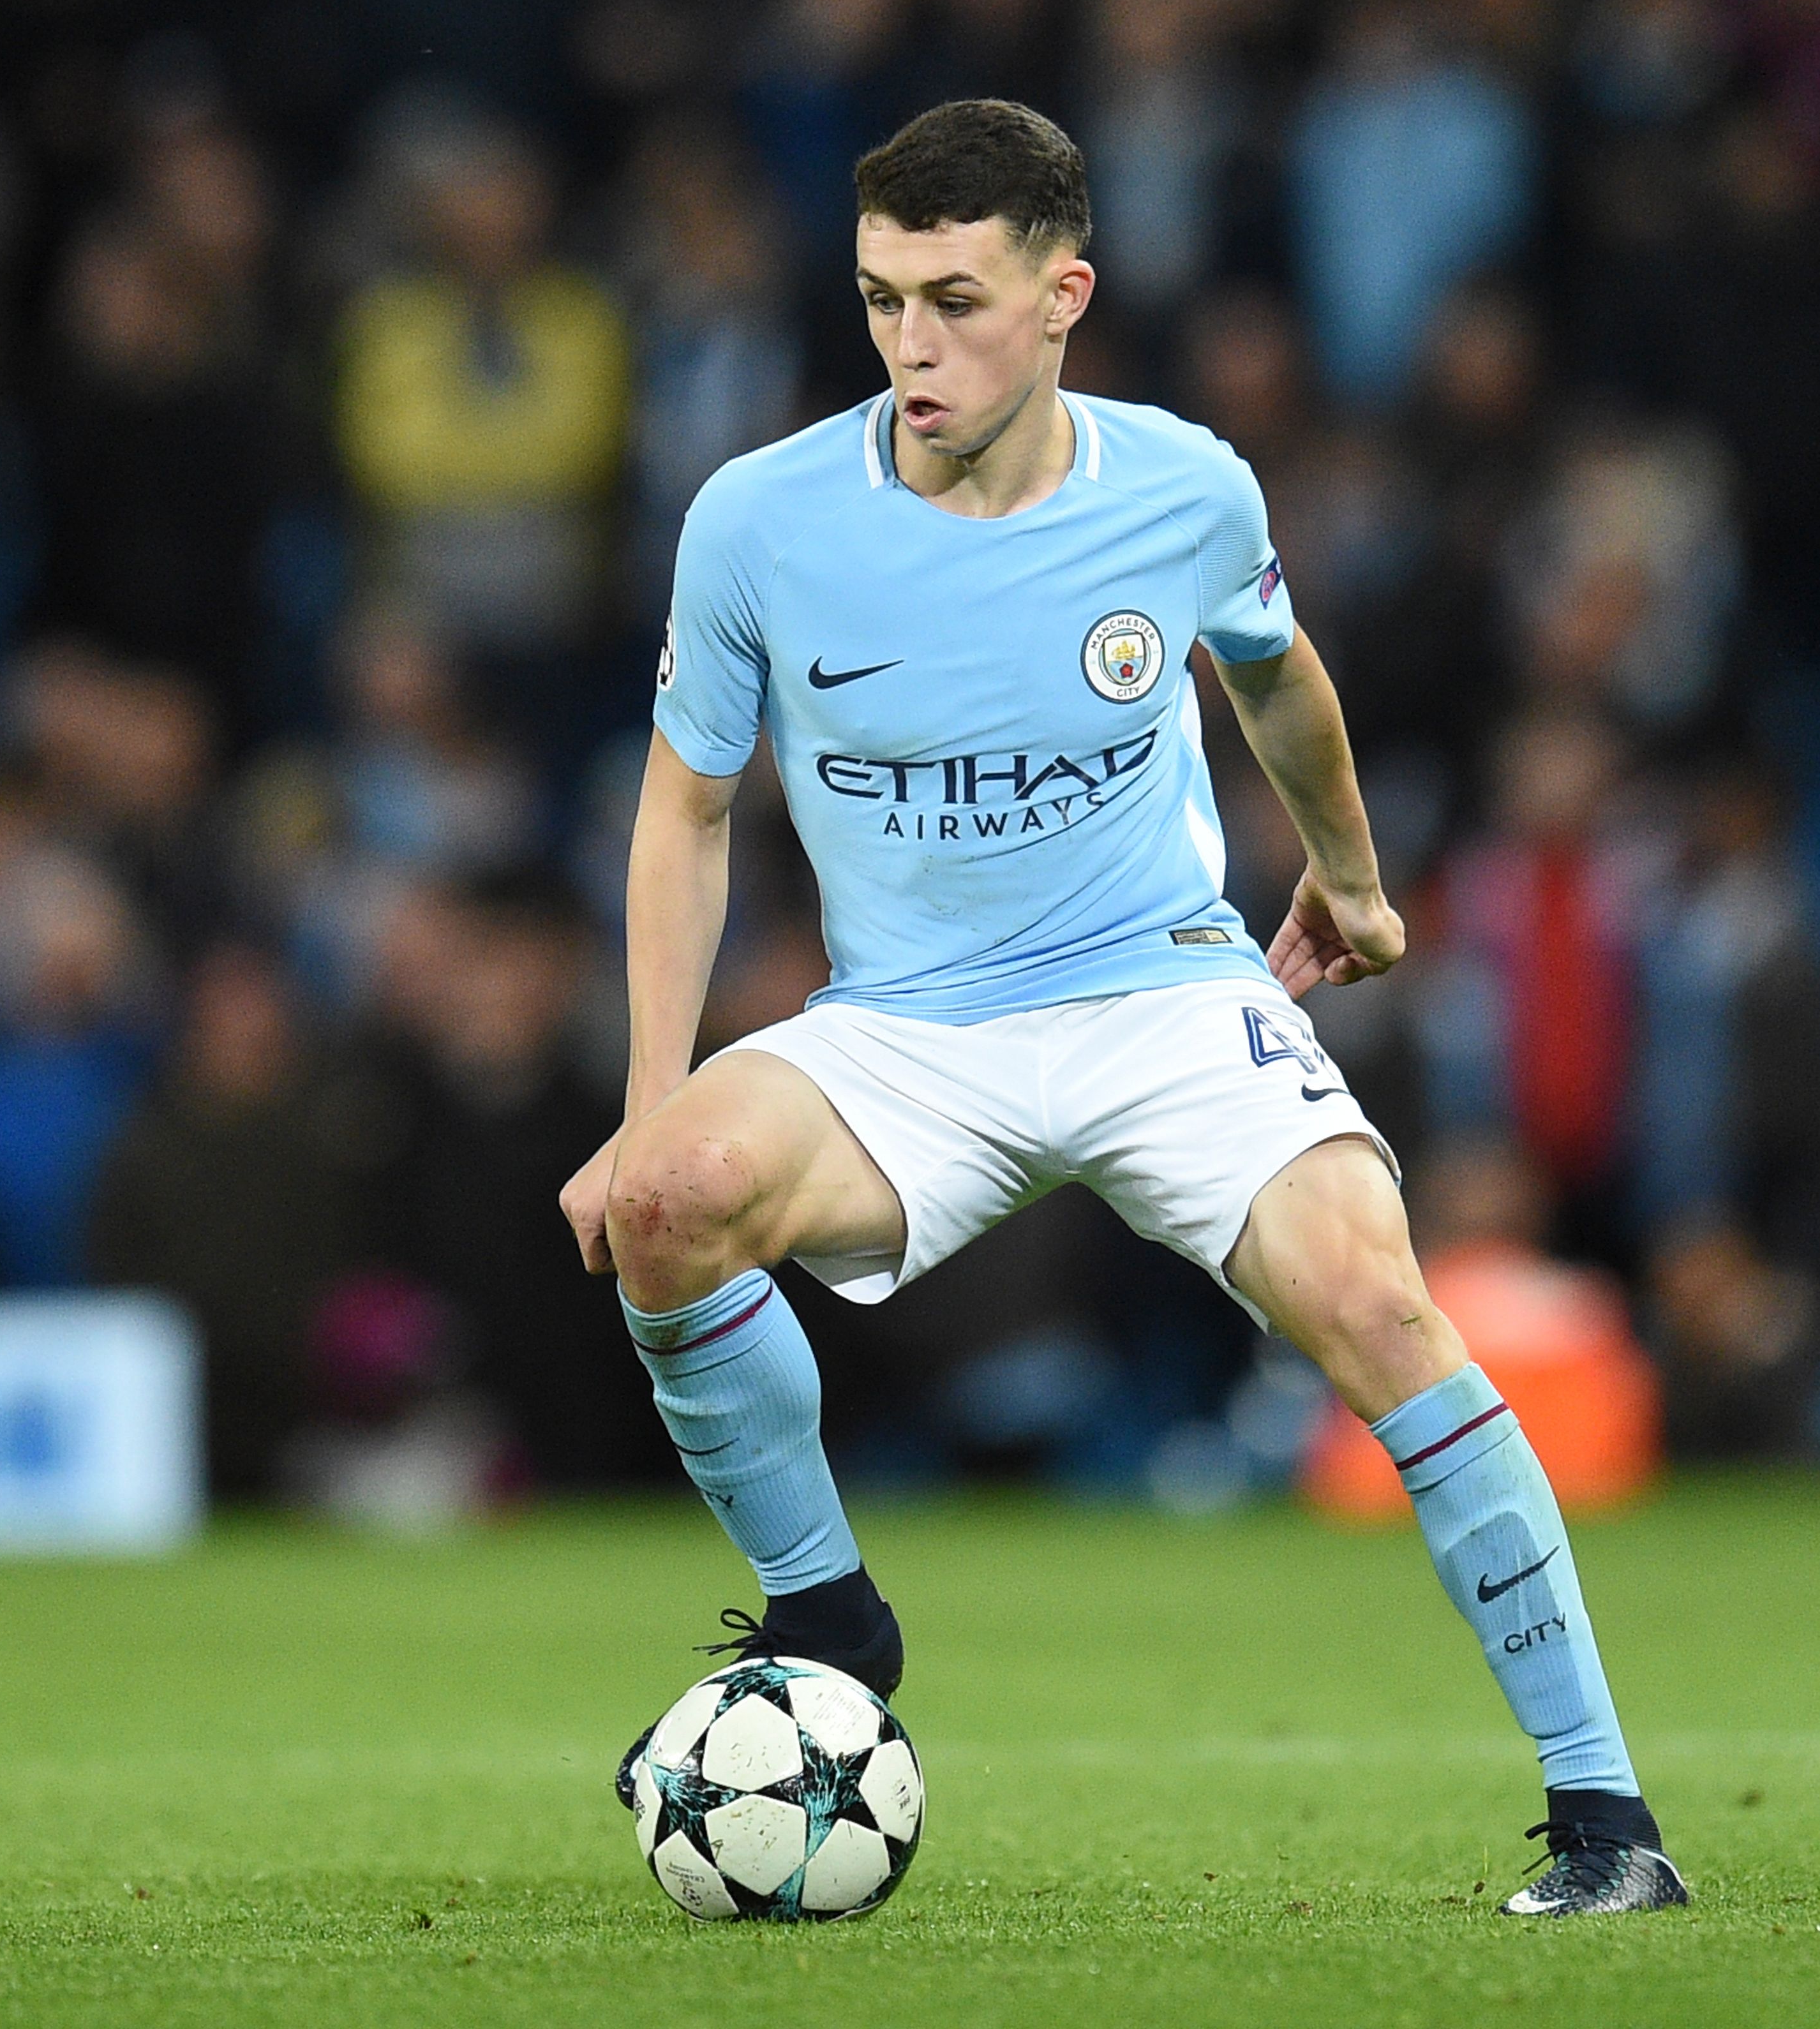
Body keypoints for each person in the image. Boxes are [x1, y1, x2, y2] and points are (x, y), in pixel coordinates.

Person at [558, 101, 1685, 1918]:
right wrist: (640, 1103)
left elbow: (1283, 678)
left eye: (956, 301)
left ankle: (1606, 1820)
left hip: (1158, 993)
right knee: (668, 1205)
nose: (912, 350)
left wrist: (1355, 876)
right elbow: (685, 809)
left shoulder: (1186, 488)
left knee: (1383, 1303)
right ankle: (829, 1607)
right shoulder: (760, 520)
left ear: (1064, 293)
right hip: (908, 1028)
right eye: (878, 302)